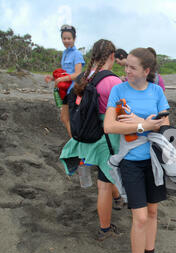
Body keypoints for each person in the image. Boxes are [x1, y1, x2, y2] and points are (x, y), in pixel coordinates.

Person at [104, 47, 172, 253]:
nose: (126, 70)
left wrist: (136, 121)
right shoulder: (118, 90)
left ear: (146, 71)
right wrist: (144, 123)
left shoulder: (157, 91)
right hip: (130, 162)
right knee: (140, 218)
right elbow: (110, 126)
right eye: (126, 66)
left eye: (132, 67)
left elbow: (164, 123)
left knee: (153, 212)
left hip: (153, 161)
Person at [59, 39, 124, 241]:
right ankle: (105, 229)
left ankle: (118, 198)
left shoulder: (83, 77)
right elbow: (122, 113)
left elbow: (68, 109)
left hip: (87, 135)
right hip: (107, 136)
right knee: (104, 181)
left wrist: (72, 132)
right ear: (112, 56)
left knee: (106, 173)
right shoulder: (113, 82)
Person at [45, 25, 85, 137]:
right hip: (64, 90)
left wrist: (62, 79)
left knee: (66, 118)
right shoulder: (65, 53)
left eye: (69, 38)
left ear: (74, 39)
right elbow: (65, 72)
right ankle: (74, 143)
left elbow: (78, 73)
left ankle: (75, 144)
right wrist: (53, 78)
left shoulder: (77, 54)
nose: (66, 41)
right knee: (65, 118)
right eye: (64, 38)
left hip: (72, 90)